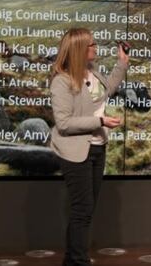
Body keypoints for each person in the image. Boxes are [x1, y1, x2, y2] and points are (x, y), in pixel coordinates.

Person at [50, 28, 129, 266]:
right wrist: (100, 121)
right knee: (82, 209)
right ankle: (78, 261)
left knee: (86, 209)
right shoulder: (61, 81)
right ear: (79, 50)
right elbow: (63, 124)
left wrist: (122, 64)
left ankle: (72, 260)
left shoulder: (92, 72)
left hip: (97, 147)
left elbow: (108, 90)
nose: (95, 48)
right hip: (75, 151)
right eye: (91, 45)